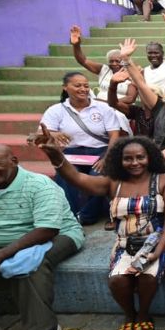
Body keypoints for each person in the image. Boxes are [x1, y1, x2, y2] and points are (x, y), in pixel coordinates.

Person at [34, 131, 165, 330]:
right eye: (128, 158)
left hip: (156, 242)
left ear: (150, 157)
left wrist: (159, 250)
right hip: (125, 244)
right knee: (117, 281)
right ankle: (129, 316)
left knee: (147, 277)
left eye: (140, 157)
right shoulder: (113, 183)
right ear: (119, 159)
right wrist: (56, 157)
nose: (134, 162)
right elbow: (79, 179)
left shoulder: (164, 180)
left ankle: (144, 317)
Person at [0, 144, 84, 330]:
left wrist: (2, 254)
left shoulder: (38, 184)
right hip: (5, 240)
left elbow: (47, 229)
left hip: (54, 234)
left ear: (14, 161)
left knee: (28, 263)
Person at [40, 72, 120, 223]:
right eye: (77, 85)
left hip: (101, 152)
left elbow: (114, 136)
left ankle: (87, 216)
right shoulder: (56, 110)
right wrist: (54, 133)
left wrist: (107, 158)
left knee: (99, 176)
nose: (83, 89)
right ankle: (70, 215)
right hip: (72, 154)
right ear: (65, 87)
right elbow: (42, 132)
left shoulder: (103, 108)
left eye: (86, 86)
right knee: (65, 176)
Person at [69, 25, 135, 103]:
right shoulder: (104, 69)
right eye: (111, 61)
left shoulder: (130, 73)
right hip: (100, 107)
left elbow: (130, 98)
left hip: (120, 108)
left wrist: (107, 103)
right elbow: (83, 61)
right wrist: (76, 45)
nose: (114, 64)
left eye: (117, 61)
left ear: (123, 61)